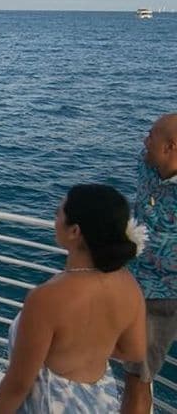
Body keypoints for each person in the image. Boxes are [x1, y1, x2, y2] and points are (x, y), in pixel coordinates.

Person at [0, 184, 146, 413]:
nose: (54, 217)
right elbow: (135, 351)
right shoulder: (129, 285)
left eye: (58, 212)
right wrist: (92, 346)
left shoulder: (46, 298)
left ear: (75, 231)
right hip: (100, 401)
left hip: (51, 403)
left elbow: (18, 384)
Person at [122, 113, 177, 414]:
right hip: (129, 282)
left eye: (151, 136)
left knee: (138, 378)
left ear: (170, 146)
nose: (145, 140)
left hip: (161, 296)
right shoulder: (147, 169)